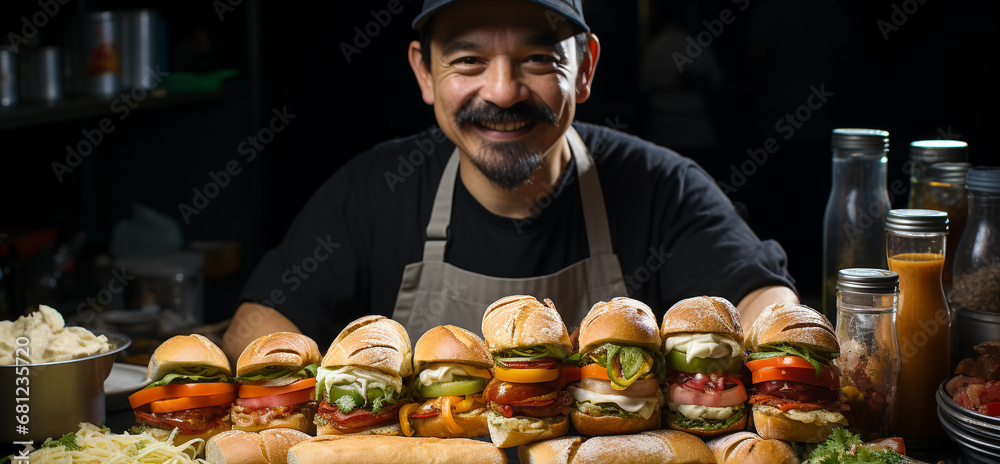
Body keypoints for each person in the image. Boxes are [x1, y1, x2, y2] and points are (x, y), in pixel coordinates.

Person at [221, 0, 799, 363]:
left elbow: (767, 305)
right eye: (469, 61)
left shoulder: (661, 186)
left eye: (539, 60)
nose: (502, 92)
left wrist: (781, 360)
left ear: (587, 69)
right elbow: (256, 325)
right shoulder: (373, 189)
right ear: (425, 72)